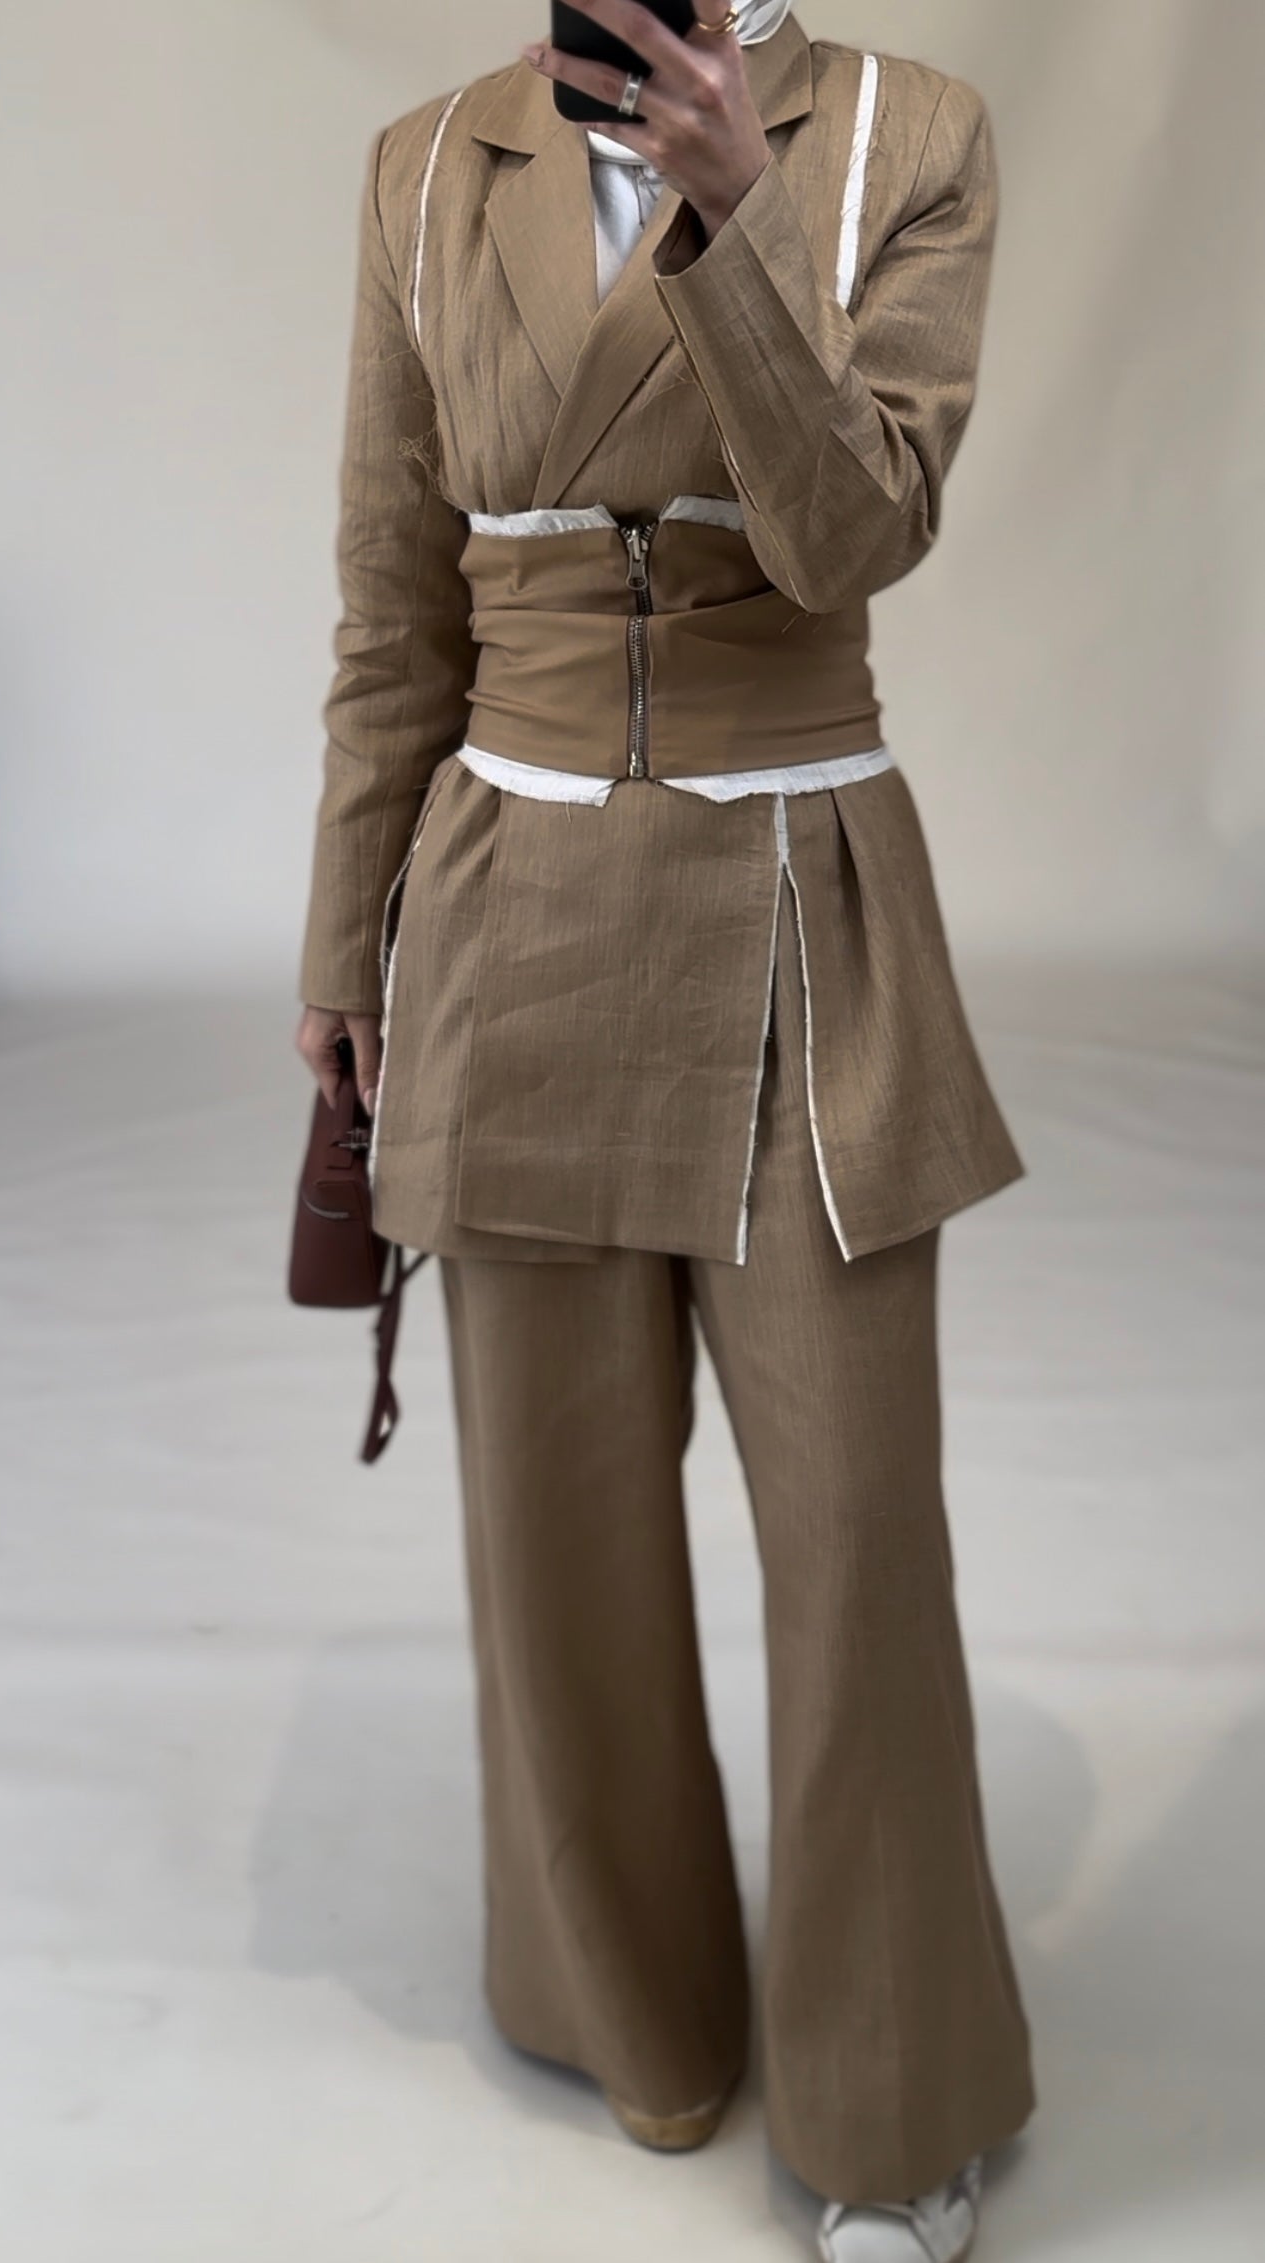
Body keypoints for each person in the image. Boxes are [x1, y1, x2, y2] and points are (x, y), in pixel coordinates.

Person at [295, 1, 1036, 2254]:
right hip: (507, 909)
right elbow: (394, 603)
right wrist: (346, 945)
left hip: (802, 889)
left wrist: (736, 204)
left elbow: (851, 538)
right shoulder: (432, 162)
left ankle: (892, 2102)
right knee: (560, 1541)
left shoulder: (905, 132)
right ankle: (631, 2006)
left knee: (858, 1546)